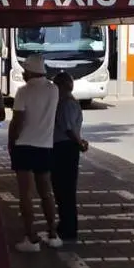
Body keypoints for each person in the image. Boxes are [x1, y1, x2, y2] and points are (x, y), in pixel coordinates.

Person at [7, 55, 62, 252]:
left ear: (29, 71)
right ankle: (52, 233)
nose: (23, 74)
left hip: (24, 145)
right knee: (46, 192)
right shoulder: (53, 90)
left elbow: (17, 121)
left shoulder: (23, 92)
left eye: (24, 71)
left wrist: (11, 142)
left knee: (25, 194)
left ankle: (31, 237)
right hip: (45, 146)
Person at [51, 72, 89, 242]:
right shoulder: (66, 102)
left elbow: (68, 128)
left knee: (65, 189)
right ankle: (65, 224)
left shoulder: (66, 104)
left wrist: (79, 142)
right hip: (64, 147)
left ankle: (68, 227)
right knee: (62, 189)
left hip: (65, 148)